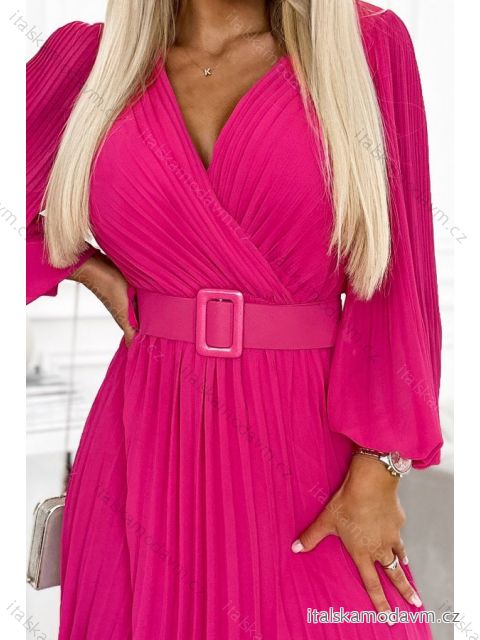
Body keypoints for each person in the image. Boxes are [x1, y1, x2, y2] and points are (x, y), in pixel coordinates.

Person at [26, 0, 443, 637]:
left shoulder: (365, 47)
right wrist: (84, 267)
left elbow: (400, 277)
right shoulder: (88, 63)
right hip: (141, 447)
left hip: (310, 456)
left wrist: (379, 469)